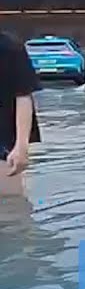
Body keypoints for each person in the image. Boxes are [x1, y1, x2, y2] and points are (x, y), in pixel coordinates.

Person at [0, 32, 40, 196]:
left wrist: (21, 146)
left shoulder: (9, 47)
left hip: (3, 143)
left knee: (12, 204)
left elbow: (23, 95)